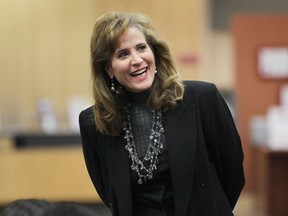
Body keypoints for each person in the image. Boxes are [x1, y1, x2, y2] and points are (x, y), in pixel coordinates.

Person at [79, 11, 245, 216]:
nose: (137, 59)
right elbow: (110, 194)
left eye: (141, 48)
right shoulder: (94, 122)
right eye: (123, 54)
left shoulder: (202, 98)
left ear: (154, 52)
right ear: (109, 69)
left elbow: (233, 171)